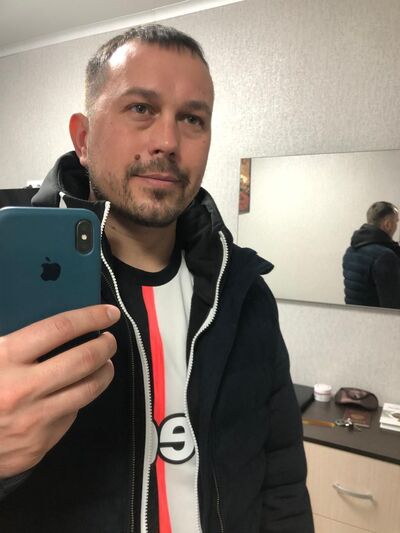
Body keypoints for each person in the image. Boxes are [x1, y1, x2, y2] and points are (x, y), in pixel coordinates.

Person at [0, 24, 313, 532]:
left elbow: (281, 483)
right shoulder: (8, 270)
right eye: (141, 108)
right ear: (83, 139)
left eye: (192, 119)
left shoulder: (245, 292)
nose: (168, 141)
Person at [343, 201, 400, 308]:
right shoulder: (385, 256)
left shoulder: (350, 251)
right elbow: (392, 307)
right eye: (396, 221)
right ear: (388, 224)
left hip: (354, 316)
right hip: (377, 318)